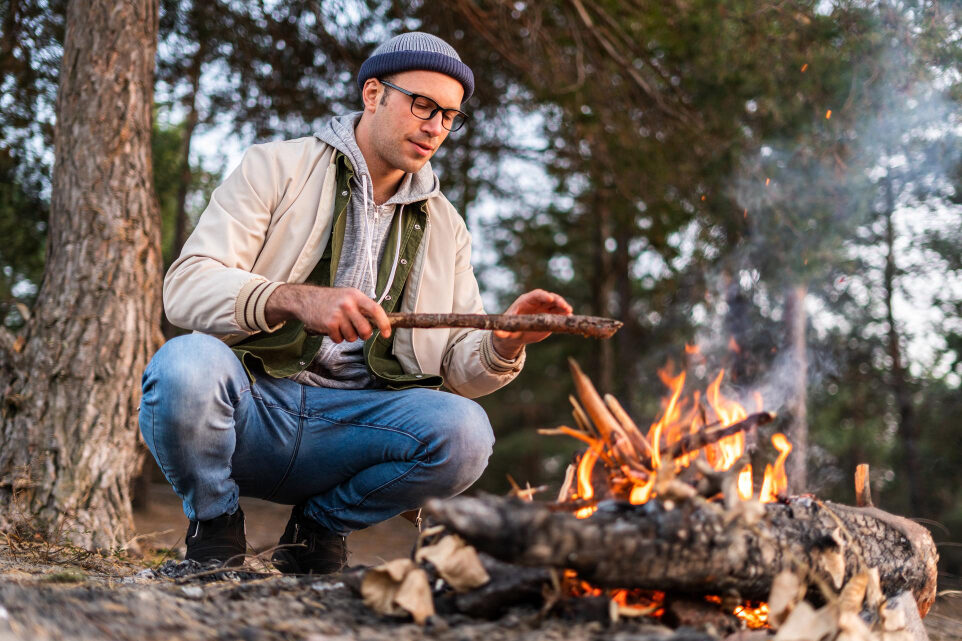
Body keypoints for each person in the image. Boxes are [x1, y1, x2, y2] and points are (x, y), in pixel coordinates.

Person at [139, 32, 572, 575]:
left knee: (464, 431)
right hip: (253, 407)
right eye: (423, 105)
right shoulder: (276, 167)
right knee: (183, 366)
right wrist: (291, 299)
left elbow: (461, 370)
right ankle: (216, 528)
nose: (436, 127)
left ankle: (317, 531)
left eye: (450, 116)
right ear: (373, 94)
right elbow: (185, 287)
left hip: (356, 429)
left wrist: (505, 340)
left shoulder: (447, 226)